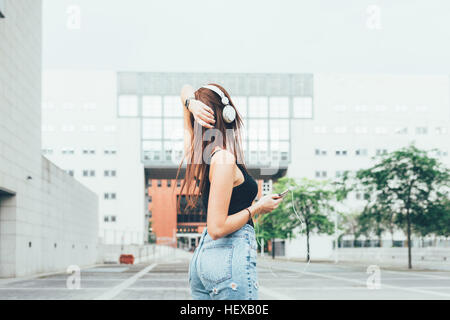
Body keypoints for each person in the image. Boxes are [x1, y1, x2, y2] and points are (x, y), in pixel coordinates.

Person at [177, 83, 283, 300]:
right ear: (227, 114)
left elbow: (184, 90)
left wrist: (190, 104)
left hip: (204, 260)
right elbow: (217, 227)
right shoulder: (223, 159)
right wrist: (258, 207)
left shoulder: (199, 157)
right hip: (228, 258)